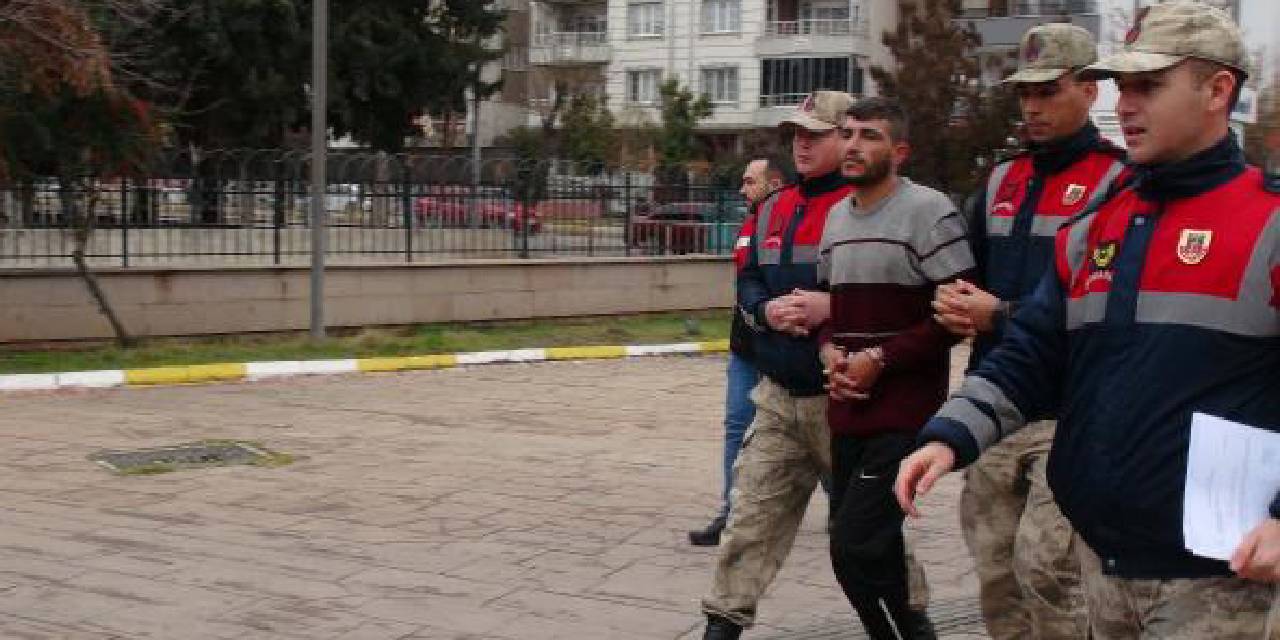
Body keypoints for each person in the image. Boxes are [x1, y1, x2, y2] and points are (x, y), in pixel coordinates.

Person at [896, 3, 1280, 638]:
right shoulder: (1096, 227)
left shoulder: (1268, 224)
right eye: (1122, 86)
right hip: (1104, 565)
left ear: (1218, 90)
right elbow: (1032, 355)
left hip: (1223, 581)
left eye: (1148, 85)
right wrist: (949, 435)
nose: (1126, 105)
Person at [930, 23, 1125, 640]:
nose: (1032, 107)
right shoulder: (999, 181)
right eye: (1024, 93)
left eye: (1048, 91)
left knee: (1049, 570)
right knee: (995, 573)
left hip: (1070, 411)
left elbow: (1112, 308)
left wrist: (1000, 314)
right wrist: (952, 304)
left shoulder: (1119, 183)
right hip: (997, 403)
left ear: (1090, 90)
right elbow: (968, 277)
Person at [698, 90, 854, 640]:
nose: (802, 145)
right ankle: (721, 627)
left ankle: (910, 622)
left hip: (845, 402)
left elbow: (896, 297)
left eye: (816, 134)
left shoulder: (865, 206)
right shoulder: (773, 207)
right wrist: (765, 310)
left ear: (847, 138)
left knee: (868, 540)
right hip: (779, 396)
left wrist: (831, 308)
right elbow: (748, 278)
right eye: (797, 135)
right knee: (747, 528)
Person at [818, 97, 974, 639]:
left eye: (870, 136)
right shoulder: (836, 217)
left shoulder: (929, 211)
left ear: (899, 151)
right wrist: (829, 352)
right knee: (867, 552)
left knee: (854, 545)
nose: (853, 145)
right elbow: (829, 309)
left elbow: (958, 315)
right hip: (847, 413)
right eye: (847, 133)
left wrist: (880, 360)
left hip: (905, 416)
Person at [690, 157, 786, 547]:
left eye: (750, 182)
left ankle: (841, 508)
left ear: (774, 184)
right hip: (746, 345)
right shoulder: (749, 223)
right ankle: (732, 512)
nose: (742, 189)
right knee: (737, 424)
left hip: (786, 346)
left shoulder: (795, 223)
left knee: (810, 430)